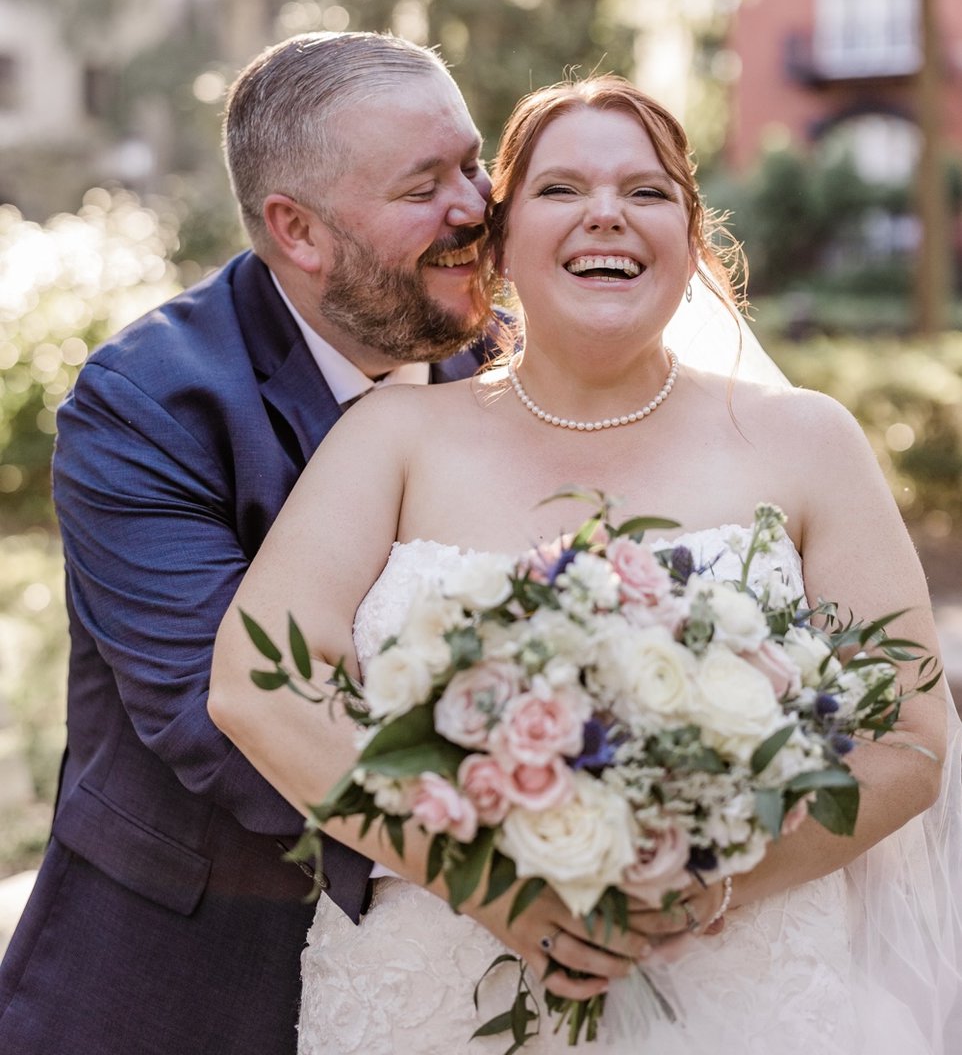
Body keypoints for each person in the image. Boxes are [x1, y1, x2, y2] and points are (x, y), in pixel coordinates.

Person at [209, 75, 962, 1054]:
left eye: (646, 192)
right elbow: (257, 687)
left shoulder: (806, 443)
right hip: (436, 993)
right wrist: (489, 886)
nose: (605, 213)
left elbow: (907, 736)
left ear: (690, 238)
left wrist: (705, 890)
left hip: (734, 999)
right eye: (560, 189)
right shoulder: (391, 437)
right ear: (499, 235)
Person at [0, 30, 498, 1055]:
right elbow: (221, 717)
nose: (476, 206)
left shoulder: (508, 360)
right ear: (296, 230)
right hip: (186, 970)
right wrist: (521, 853)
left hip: (472, 984)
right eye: (424, 186)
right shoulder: (148, 405)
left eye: (472, 161)